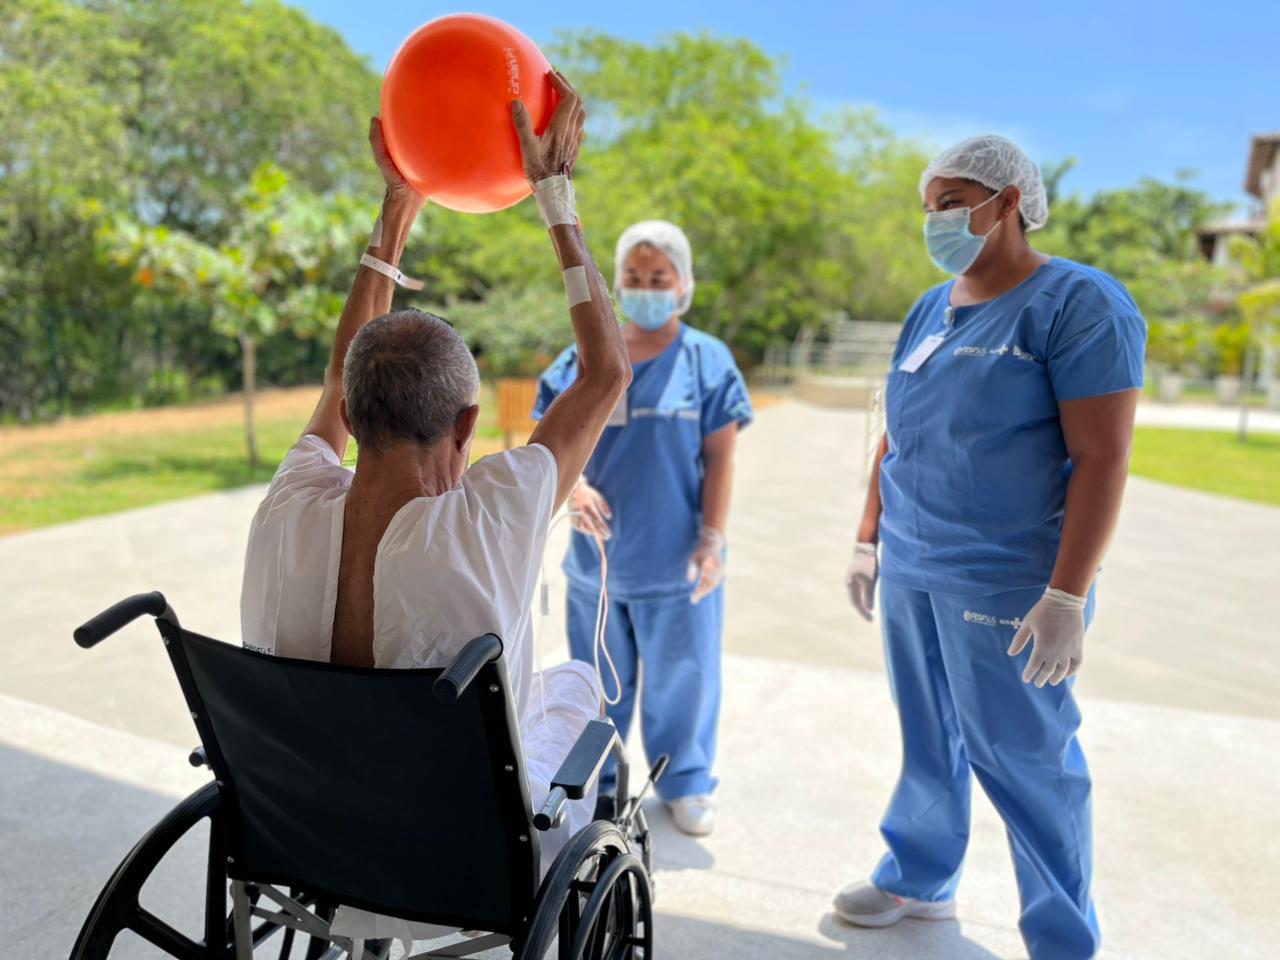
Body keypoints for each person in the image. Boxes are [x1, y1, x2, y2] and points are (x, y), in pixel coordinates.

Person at [239, 72, 629, 945]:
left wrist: (394, 217)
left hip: (304, 848)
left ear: (348, 417)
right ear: (465, 424)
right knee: (578, 694)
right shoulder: (495, 515)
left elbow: (341, 381)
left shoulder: (290, 501)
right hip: (459, 866)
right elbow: (605, 374)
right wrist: (554, 196)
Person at [835, 135, 1146, 960]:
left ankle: (1061, 937)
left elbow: (1103, 458)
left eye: (953, 201)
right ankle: (918, 875)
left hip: (1010, 579)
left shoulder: (1078, 304)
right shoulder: (928, 309)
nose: (936, 220)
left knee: (1025, 757)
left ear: (1008, 202)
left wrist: (1068, 595)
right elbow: (895, 434)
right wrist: (869, 538)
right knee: (927, 736)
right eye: (929, 205)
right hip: (913, 563)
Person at [533, 220, 753, 838]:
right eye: (633, 277)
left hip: (677, 559)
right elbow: (548, 441)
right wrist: (573, 487)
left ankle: (684, 782)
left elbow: (722, 459)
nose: (646, 288)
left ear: (682, 285)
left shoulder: (707, 361)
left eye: (660, 278)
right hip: (597, 563)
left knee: (685, 678)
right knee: (599, 682)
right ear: (615, 284)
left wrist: (712, 538)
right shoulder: (587, 356)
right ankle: (596, 784)